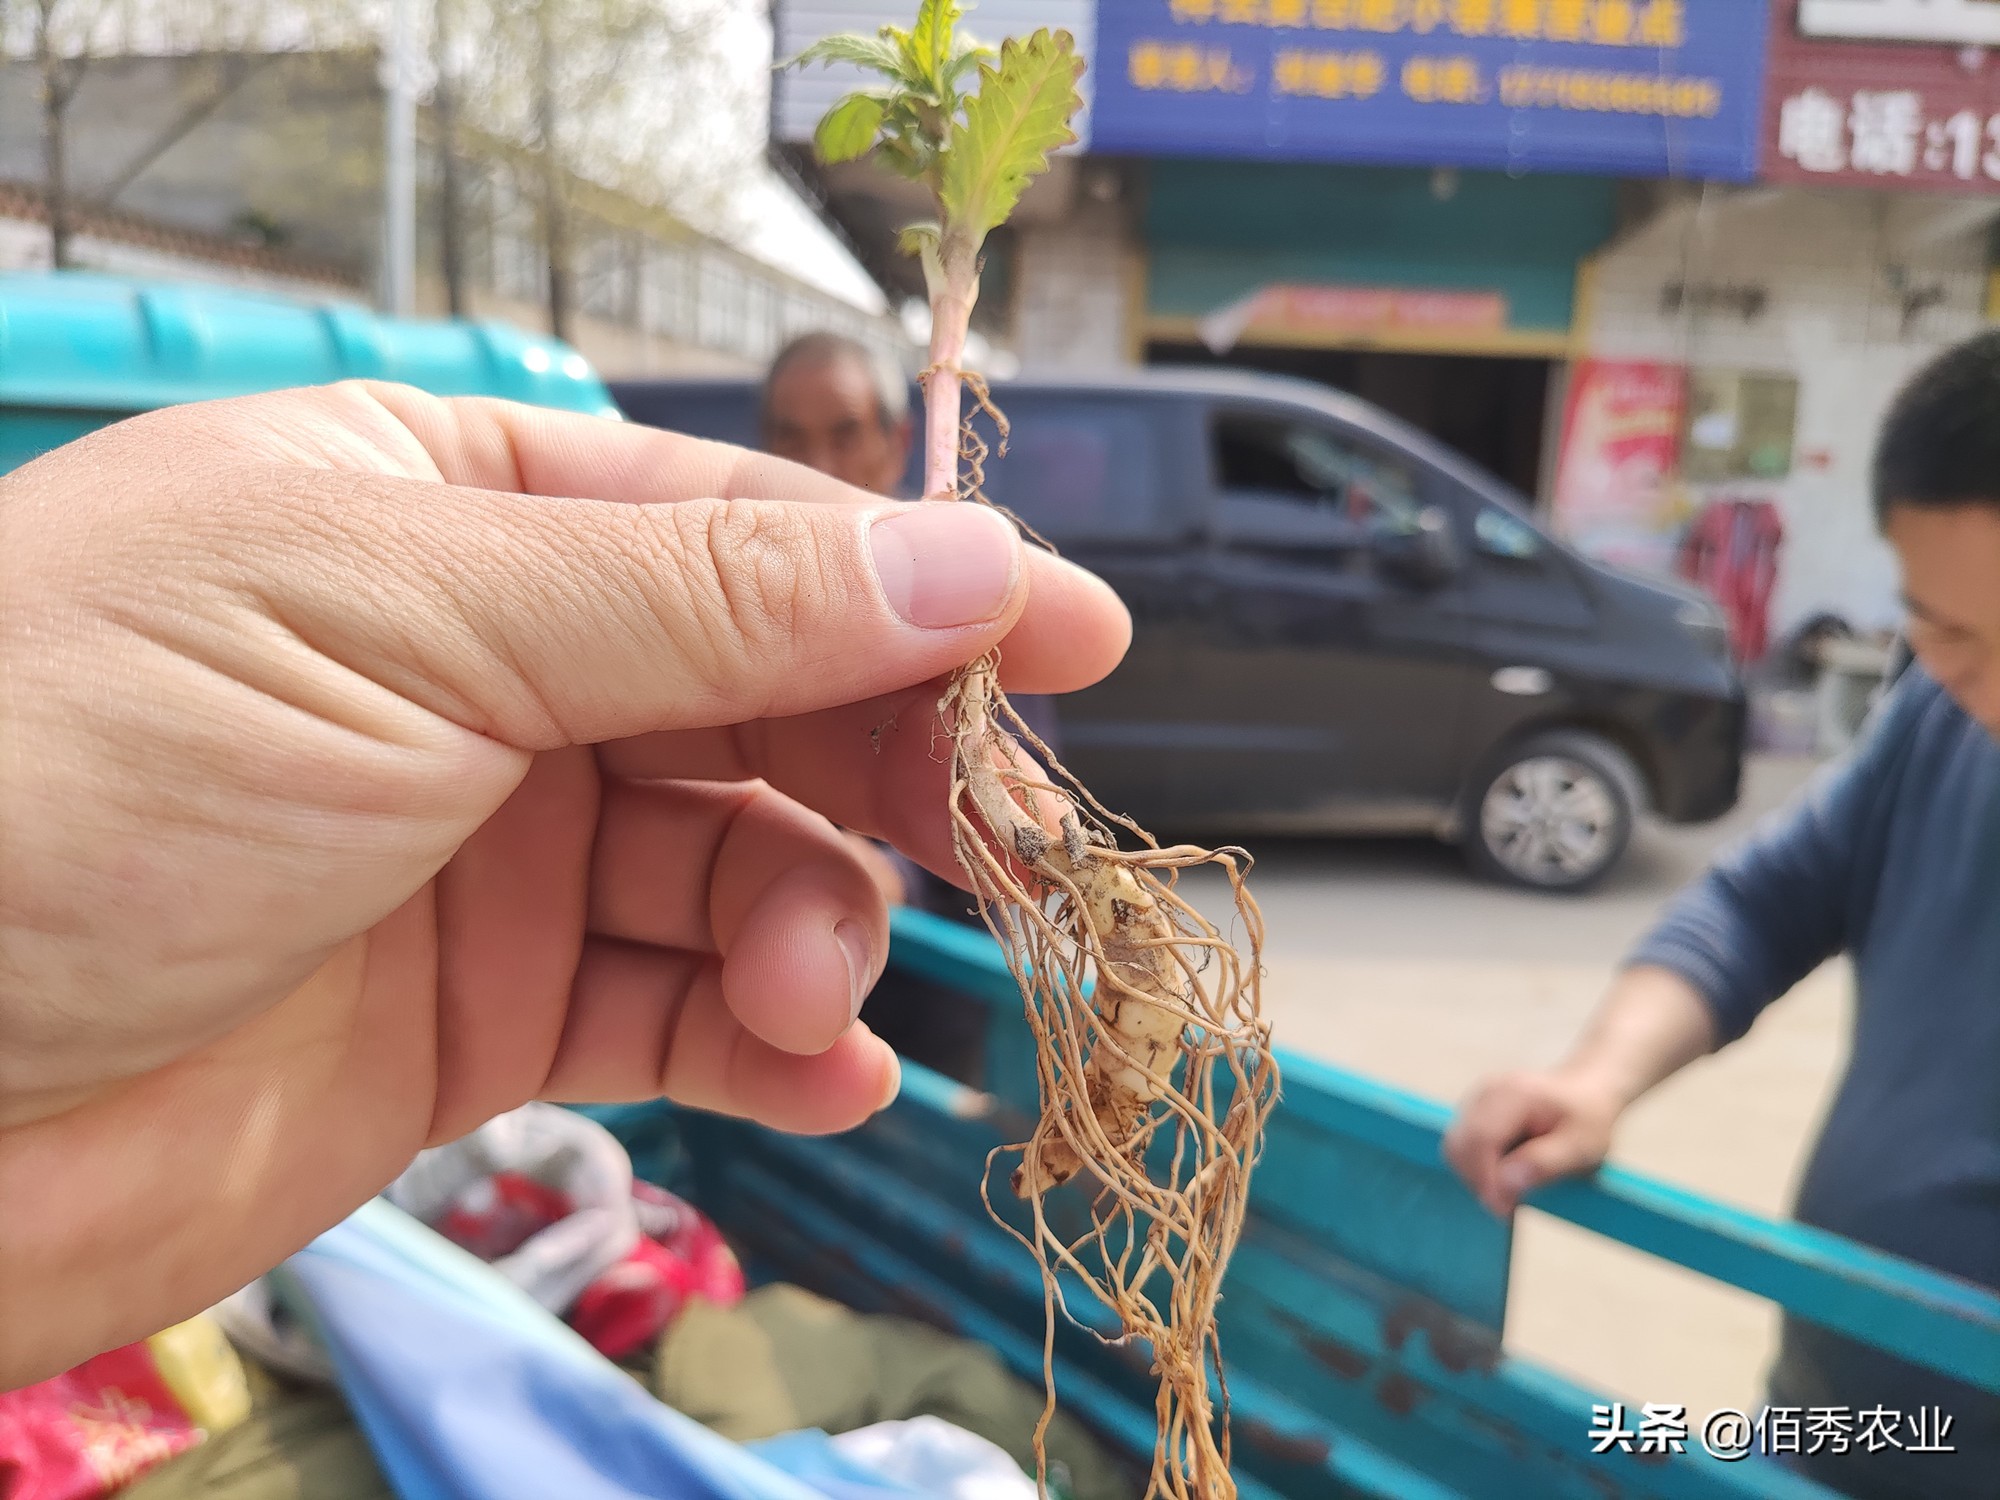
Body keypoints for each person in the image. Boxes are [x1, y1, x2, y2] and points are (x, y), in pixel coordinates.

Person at [0, 381, 1130, 1388]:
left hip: (864, 995)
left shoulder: (976, 651)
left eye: (844, 430)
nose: (820, 451)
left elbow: (1003, 813)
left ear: (894, 434)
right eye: (793, 429)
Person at [1445, 333, 2000, 1499]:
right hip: (1833, 1430)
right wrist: (1594, 1080)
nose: (1985, 691)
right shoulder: (1934, 719)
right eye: (1946, 631)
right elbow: (1759, 903)